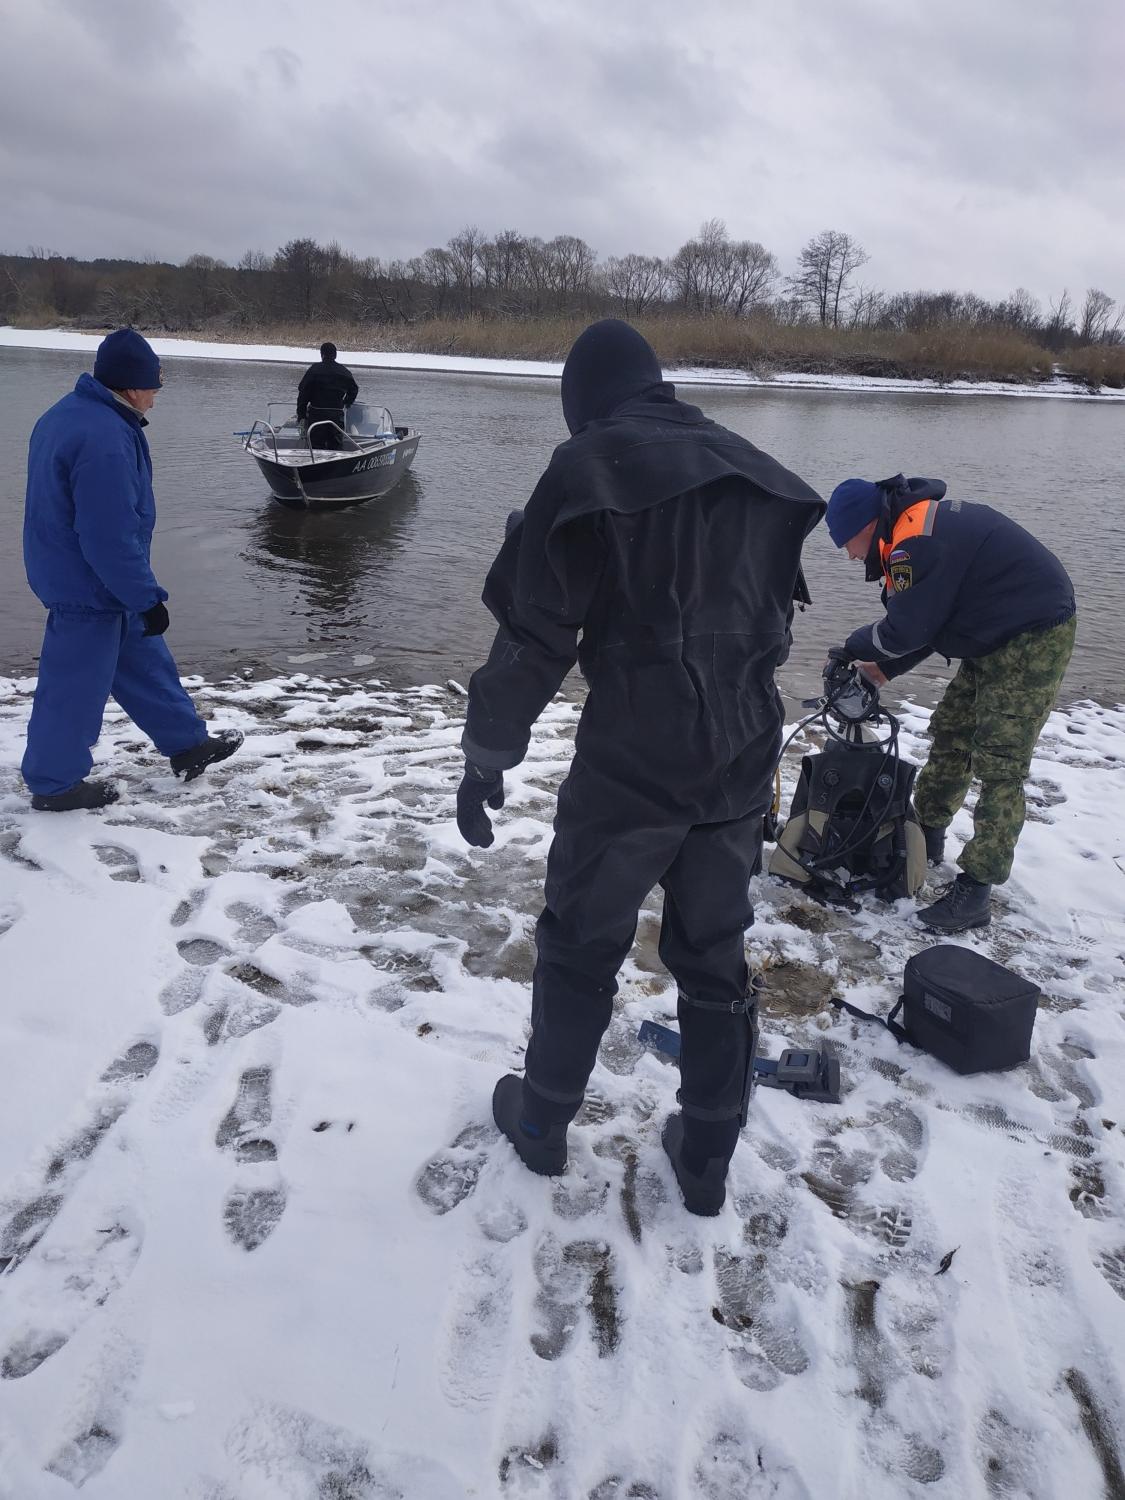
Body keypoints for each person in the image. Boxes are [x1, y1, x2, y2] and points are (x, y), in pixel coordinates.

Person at [457, 319, 824, 1215]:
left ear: (582, 401)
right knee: (712, 956)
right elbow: (769, 627)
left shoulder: (583, 470)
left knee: (581, 943)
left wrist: (487, 754)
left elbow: (534, 638)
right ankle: (706, 1157)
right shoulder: (753, 469)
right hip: (739, 756)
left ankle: (541, 1125)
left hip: (631, 761)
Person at [826, 473, 1076, 933]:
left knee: (1001, 759)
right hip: (990, 627)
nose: (850, 554)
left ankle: (977, 889)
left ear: (867, 524)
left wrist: (849, 648)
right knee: (952, 734)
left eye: (848, 542)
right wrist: (880, 670)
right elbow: (931, 622)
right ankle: (929, 838)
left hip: (1033, 630)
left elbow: (908, 629)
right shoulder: (908, 529)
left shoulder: (912, 543)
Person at [21, 329, 242, 811]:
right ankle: (53, 784)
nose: (157, 397)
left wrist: (137, 596)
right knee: (74, 688)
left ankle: (188, 744)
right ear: (130, 385)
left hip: (94, 580)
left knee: (143, 662)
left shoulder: (73, 415)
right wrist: (145, 595)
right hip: (87, 585)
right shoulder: (104, 438)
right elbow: (107, 534)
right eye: (153, 386)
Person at [296, 342, 359, 450]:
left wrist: (301, 415)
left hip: (317, 414)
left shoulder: (314, 369)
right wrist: (346, 402)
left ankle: (315, 465)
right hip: (336, 414)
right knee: (336, 445)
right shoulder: (344, 371)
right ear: (335, 355)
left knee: (315, 446)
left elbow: (303, 392)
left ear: (322, 354)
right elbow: (354, 389)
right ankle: (335, 465)